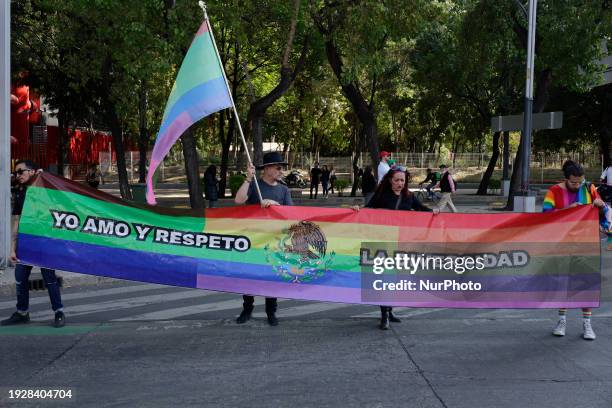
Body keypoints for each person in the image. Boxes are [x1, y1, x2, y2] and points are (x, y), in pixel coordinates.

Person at [357, 167, 439, 330]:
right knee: (383, 279)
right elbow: (367, 211)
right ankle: (384, 314)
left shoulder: (409, 197)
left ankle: (390, 310)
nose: (400, 183)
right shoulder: (381, 196)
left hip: (401, 244)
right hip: (382, 244)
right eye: (397, 180)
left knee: (395, 280)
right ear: (390, 181)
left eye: (402, 180)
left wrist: (433, 212)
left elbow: (422, 210)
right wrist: (356, 210)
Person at [544, 160, 605, 340]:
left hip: (586, 244)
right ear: (566, 179)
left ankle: (587, 324)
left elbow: (602, 212)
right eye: (573, 182)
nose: (576, 185)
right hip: (562, 244)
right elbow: (545, 214)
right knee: (564, 283)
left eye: (579, 181)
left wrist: (601, 205)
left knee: (586, 283)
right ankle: (561, 321)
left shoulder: (589, 188)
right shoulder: (554, 191)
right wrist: (567, 210)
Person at [1, 160, 66, 328]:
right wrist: (12, 248)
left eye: (21, 171)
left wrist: (43, 176)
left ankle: (59, 312)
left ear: (32, 171)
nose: (18, 175)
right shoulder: (20, 192)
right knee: (20, 278)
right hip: (26, 243)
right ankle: (22, 312)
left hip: (44, 242)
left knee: (49, 278)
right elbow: (16, 220)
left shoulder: (45, 188)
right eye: (15, 173)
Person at [234, 152, 293, 326]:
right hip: (253, 239)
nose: (281, 171)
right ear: (267, 169)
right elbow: (238, 200)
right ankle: (247, 308)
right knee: (249, 276)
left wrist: (275, 206)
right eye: (278, 167)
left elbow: (291, 214)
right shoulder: (255, 185)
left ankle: (271, 311)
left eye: (282, 168)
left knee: (272, 277)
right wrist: (248, 179)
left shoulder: (283, 189)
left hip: (274, 241)